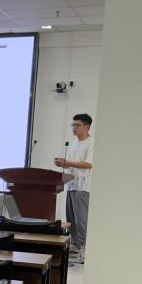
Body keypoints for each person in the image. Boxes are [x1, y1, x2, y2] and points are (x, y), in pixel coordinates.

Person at [55, 113, 94, 263]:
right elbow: (71, 164)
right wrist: (62, 163)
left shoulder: (91, 143)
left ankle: (83, 248)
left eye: (77, 125)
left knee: (81, 219)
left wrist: (68, 163)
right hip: (71, 184)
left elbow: (88, 164)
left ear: (86, 126)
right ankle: (75, 247)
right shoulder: (73, 142)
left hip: (83, 186)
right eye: (73, 125)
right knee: (71, 219)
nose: (74, 128)